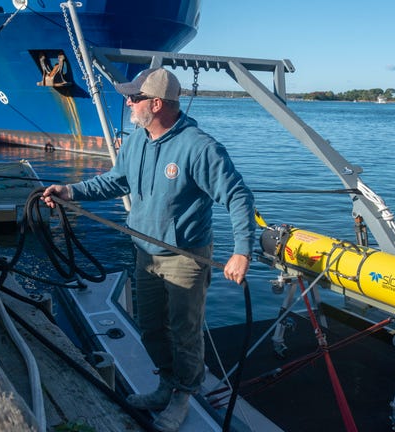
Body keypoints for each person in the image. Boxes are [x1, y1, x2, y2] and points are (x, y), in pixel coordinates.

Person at [42, 67, 256, 432]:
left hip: (185, 258)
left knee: (184, 331)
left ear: (156, 104)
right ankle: (165, 385)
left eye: (134, 97)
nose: (128, 103)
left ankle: (183, 395)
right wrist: (71, 191)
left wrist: (242, 251)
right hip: (145, 251)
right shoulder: (137, 139)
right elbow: (116, 181)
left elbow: (238, 197)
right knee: (151, 327)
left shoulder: (200, 147)